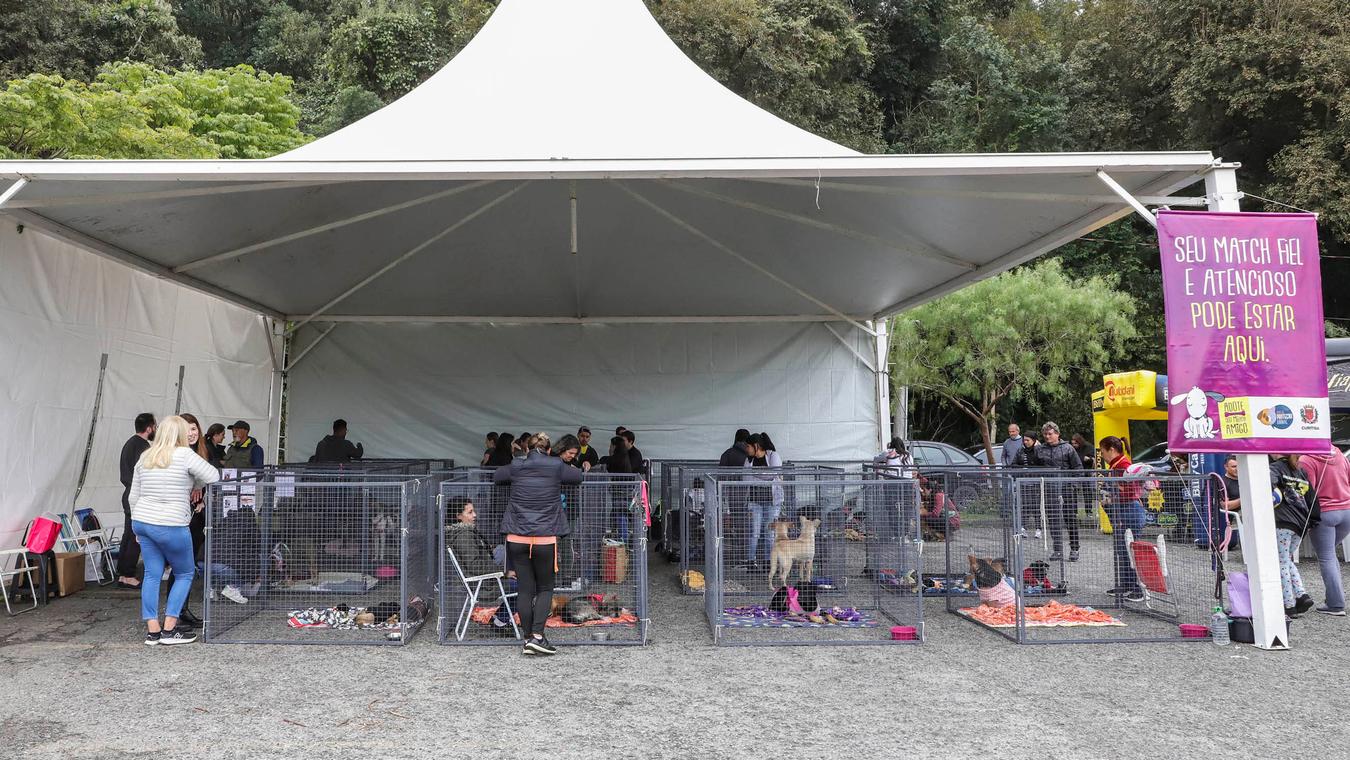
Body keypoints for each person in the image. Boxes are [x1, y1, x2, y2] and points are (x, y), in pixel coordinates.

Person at [128, 415, 221, 645]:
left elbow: (133, 496)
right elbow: (214, 476)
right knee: (185, 573)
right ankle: (170, 630)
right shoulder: (184, 454)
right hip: (171, 523)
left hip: (143, 521)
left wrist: (136, 529)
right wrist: (197, 484)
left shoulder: (146, 456)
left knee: (152, 574)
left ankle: (153, 631)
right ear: (179, 434)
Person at [494, 433, 582, 656]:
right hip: (545, 538)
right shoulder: (556, 465)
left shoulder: (517, 464)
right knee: (545, 588)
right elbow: (578, 476)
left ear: (527, 448)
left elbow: (497, 475)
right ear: (549, 450)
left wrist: (519, 464)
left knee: (525, 589)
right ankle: (537, 636)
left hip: (516, 537)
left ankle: (528, 638)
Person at [1301, 447, 1350, 615]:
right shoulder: (1338, 453)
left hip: (1325, 513)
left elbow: (1308, 491)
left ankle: (1336, 604)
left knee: (1326, 556)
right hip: (1347, 510)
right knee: (1329, 554)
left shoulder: (1306, 459)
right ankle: (1333, 599)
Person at [175, 413, 212, 628]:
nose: (192, 433)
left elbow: (213, 478)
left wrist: (203, 497)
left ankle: (182, 609)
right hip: (179, 518)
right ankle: (174, 614)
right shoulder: (176, 455)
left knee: (188, 567)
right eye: (187, 429)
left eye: (194, 428)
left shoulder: (201, 453)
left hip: (196, 519)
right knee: (179, 568)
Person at [1270, 453, 1319, 617]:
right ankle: (1301, 595)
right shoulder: (1301, 471)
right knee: (1287, 560)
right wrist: (1313, 521)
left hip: (1283, 521)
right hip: (1301, 524)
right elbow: (1312, 498)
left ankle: (1289, 604)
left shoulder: (1276, 468)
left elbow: (1268, 485)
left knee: (1282, 562)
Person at [1099, 436, 1145, 602]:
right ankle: (1126, 584)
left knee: (1130, 549)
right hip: (1124, 510)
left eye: (1103, 451)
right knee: (1122, 549)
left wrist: (1111, 497)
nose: (1102, 455)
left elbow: (1130, 490)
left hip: (1130, 510)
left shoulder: (1123, 466)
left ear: (1111, 449)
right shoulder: (1117, 465)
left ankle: (1137, 589)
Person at [116, 413, 156, 588]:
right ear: (149, 428)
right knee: (135, 537)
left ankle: (123, 573)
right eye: (155, 427)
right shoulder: (142, 447)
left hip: (129, 494)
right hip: (137, 496)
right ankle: (128, 574)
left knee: (128, 535)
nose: (155, 430)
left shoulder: (130, 443)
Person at [1036, 422, 1082, 561]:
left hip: (1067, 489)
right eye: (1045, 434)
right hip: (1049, 490)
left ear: (1057, 434)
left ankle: (1074, 548)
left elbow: (1078, 468)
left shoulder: (1068, 448)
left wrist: (1074, 485)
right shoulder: (1040, 449)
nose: (1047, 436)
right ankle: (1058, 550)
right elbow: (1035, 467)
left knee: (1070, 519)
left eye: (1050, 434)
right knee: (1054, 521)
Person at [742, 433, 784, 571]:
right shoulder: (749, 460)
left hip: (773, 502)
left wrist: (756, 476)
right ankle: (750, 562)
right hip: (755, 502)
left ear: (756, 446)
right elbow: (745, 479)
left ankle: (768, 562)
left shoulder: (773, 456)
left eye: (748, 446)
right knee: (754, 532)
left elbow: (774, 474)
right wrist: (765, 477)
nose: (746, 449)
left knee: (769, 533)